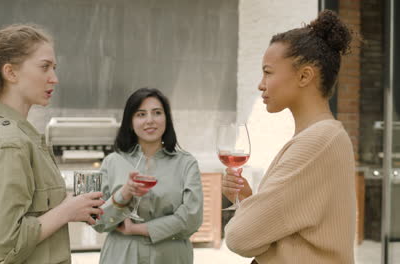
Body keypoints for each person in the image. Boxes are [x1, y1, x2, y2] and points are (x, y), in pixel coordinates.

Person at [0, 24, 104, 264]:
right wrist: (67, 211)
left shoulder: (18, 134)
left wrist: (74, 206)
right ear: (10, 73)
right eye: (44, 67)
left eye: (54, 68)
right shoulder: (11, 143)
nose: (55, 78)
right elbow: (4, 243)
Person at [222, 10, 356, 264]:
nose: (261, 84)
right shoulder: (324, 137)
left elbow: (239, 238)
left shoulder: (318, 142)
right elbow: (294, 228)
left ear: (305, 76)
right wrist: (249, 202)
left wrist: (250, 213)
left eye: (268, 72)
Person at [92, 87, 203, 264]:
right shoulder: (112, 162)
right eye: (141, 114)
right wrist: (124, 194)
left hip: (171, 257)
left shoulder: (186, 163)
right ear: (130, 121)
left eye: (157, 113)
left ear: (166, 118)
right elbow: (98, 222)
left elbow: (192, 219)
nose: (150, 120)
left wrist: (138, 229)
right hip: (122, 256)